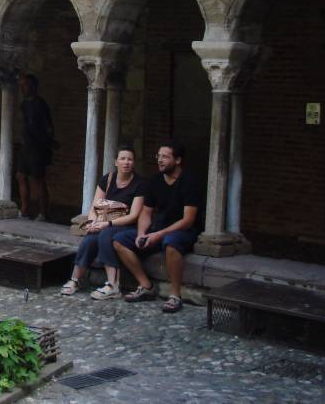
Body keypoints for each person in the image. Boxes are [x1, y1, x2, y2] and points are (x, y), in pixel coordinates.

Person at [112, 140, 202, 314]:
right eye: (158, 156)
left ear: (177, 160)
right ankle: (146, 285)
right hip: (159, 228)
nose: (160, 160)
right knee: (119, 240)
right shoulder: (155, 181)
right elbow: (146, 213)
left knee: (171, 243)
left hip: (183, 231)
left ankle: (175, 295)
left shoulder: (189, 181)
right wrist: (141, 233)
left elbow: (188, 220)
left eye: (165, 157)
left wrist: (158, 235)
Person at [60, 145, 145, 299]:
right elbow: (94, 207)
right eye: (123, 158)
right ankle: (75, 280)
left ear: (134, 163)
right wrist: (93, 222)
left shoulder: (139, 184)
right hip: (105, 222)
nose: (126, 162)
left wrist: (107, 224)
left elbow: (134, 215)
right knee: (90, 239)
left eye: (130, 159)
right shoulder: (107, 179)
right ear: (116, 161)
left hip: (126, 226)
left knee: (105, 235)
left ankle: (113, 285)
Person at [17, 73, 55, 221]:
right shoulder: (24, 105)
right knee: (20, 176)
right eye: (21, 85)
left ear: (33, 87)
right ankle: (24, 210)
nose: (22, 88)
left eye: (25, 85)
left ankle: (43, 213)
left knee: (37, 179)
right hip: (26, 146)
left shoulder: (40, 104)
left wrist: (47, 142)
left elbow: (48, 127)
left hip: (37, 147)